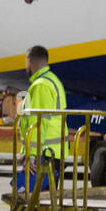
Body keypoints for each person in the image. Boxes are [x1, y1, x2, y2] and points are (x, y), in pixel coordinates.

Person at [15, 46, 67, 186]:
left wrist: (32, 155)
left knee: (37, 203)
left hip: (44, 153)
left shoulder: (41, 86)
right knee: (47, 202)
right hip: (51, 152)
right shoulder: (52, 80)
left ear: (30, 61)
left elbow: (38, 122)